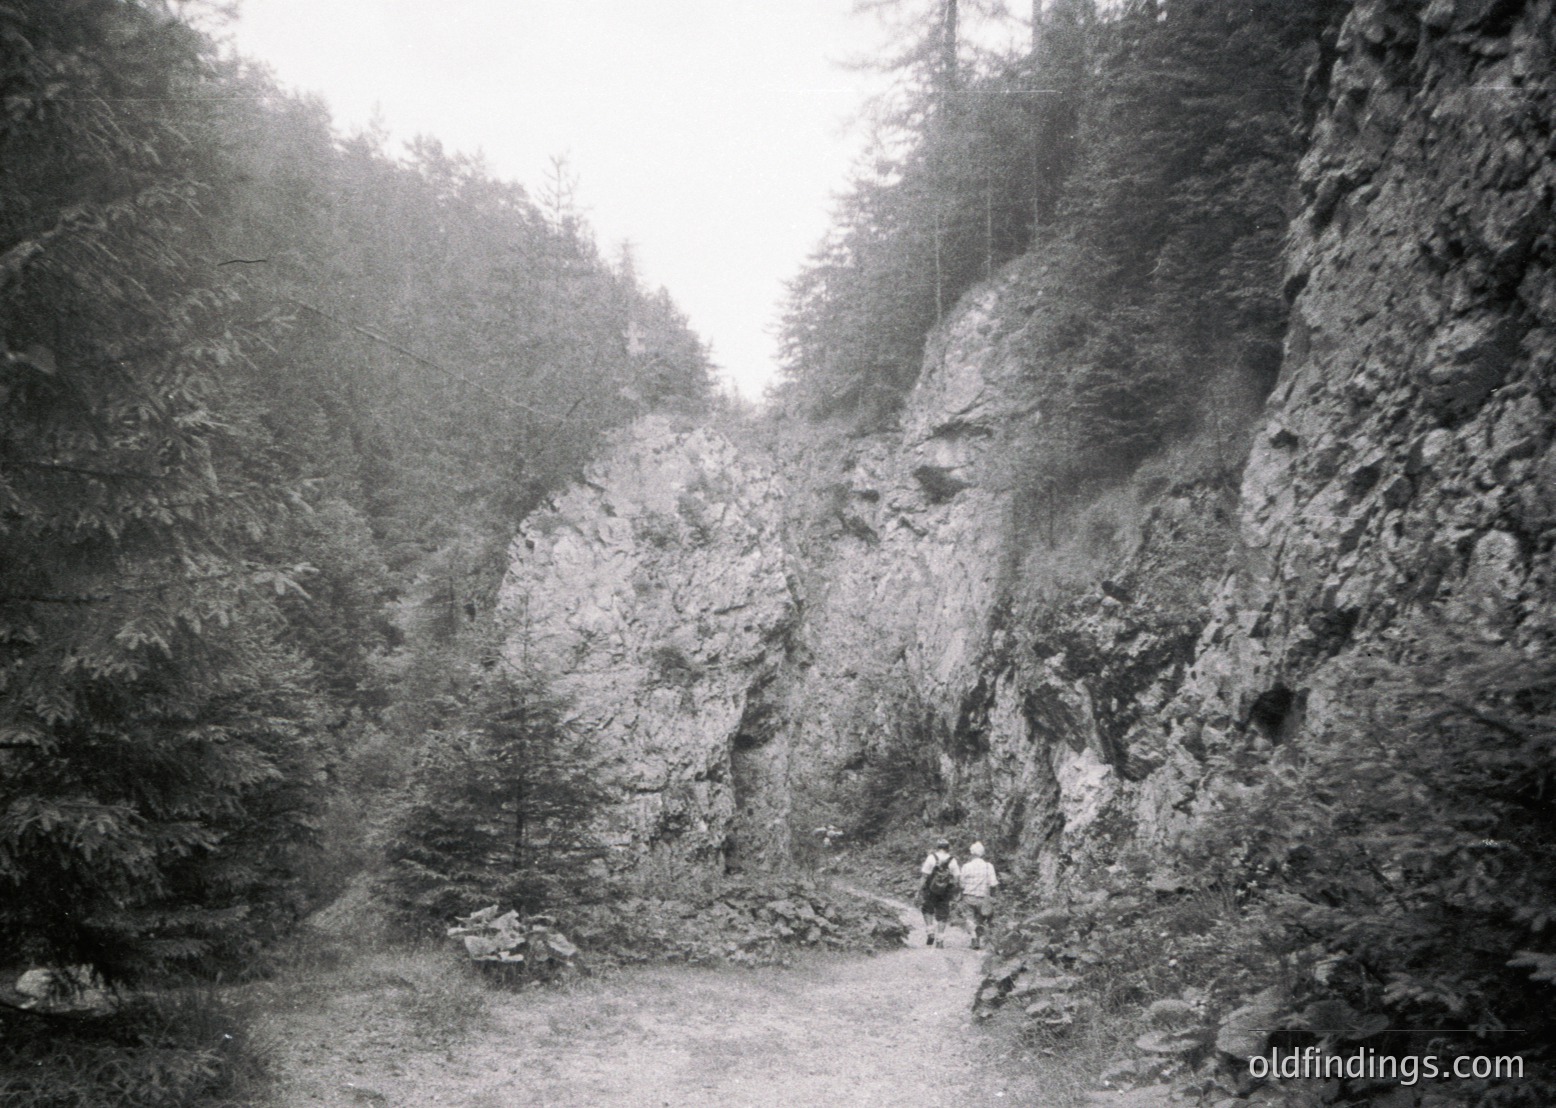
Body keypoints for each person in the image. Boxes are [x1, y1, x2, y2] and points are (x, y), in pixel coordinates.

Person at [919, 836, 961, 948]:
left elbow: (924, 876)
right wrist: (953, 890)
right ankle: (940, 940)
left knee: (927, 909)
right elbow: (957, 878)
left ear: (937, 848)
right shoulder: (953, 860)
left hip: (930, 889)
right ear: (948, 848)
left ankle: (930, 932)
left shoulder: (931, 858)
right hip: (945, 891)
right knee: (943, 914)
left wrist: (918, 891)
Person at [959, 841, 999, 950]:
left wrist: (961, 893)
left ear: (971, 853)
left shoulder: (966, 866)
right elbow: (993, 883)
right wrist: (993, 897)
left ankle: (974, 938)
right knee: (980, 919)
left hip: (969, 896)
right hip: (983, 897)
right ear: (983, 853)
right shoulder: (988, 866)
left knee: (969, 917)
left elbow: (961, 883)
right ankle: (979, 937)